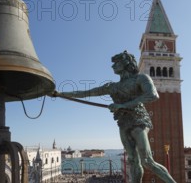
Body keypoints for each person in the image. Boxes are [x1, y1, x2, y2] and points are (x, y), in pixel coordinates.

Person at [54, 51, 176, 183]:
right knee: (133, 161)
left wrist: (122, 105)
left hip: (138, 120)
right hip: (123, 123)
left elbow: (153, 95)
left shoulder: (141, 79)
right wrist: (60, 94)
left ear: (126, 63)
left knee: (147, 161)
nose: (113, 66)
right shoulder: (113, 87)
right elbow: (86, 93)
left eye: (117, 63)